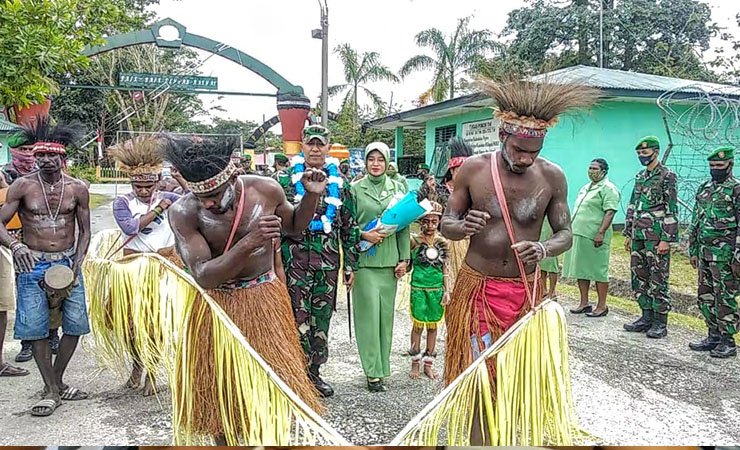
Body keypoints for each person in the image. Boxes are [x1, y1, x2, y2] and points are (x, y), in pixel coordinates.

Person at [440, 78, 599, 444]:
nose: (525, 158)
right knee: (481, 370)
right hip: (477, 290)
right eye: (518, 149)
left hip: (526, 293)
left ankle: (508, 431)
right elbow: (447, 224)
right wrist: (462, 226)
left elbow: (565, 233)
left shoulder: (552, 176)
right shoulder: (473, 171)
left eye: (534, 150)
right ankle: (482, 438)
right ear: (502, 136)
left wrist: (543, 249)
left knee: (517, 369)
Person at [163, 135, 325, 441]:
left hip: (264, 297)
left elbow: (293, 228)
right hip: (218, 305)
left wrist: (311, 197)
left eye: (215, 194)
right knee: (222, 391)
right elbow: (204, 276)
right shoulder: (183, 212)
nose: (209, 203)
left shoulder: (266, 190)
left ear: (233, 178)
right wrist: (250, 242)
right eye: (202, 198)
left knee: (269, 387)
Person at [0, 116, 92, 416]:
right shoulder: (23, 187)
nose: (47, 160)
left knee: (75, 326)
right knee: (36, 329)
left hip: (67, 263)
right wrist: (16, 246)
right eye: (41, 155)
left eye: (52, 155)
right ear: (35, 157)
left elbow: (85, 230)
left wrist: (78, 261)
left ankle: (57, 381)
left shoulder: (78, 188)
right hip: (32, 265)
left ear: (62, 157)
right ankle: (52, 389)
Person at [280, 125, 361, 397]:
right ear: (302, 146)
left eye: (320, 144)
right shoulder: (284, 182)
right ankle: (294, 374)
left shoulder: (341, 184)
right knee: (294, 317)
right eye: (310, 143)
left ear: (328, 147)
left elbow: (350, 226)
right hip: (294, 262)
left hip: (327, 263)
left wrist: (351, 264)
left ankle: (314, 374)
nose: (315, 148)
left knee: (321, 319)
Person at [108, 136, 183, 395]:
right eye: (138, 186)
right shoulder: (122, 203)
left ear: (156, 182)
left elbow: (195, 197)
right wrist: (159, 207)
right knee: (129, 323)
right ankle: (136, 365)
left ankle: (152, 371)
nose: (143, 191)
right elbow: (130, 227)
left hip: (164, 266)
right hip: (132, 266)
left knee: (156, 321)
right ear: (131, 183)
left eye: (148, 186)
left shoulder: (172, 197)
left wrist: (180, 180)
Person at [351, 142, 410, 392]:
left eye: (380, 160)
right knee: (368, 318)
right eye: (371, 159)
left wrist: (404, 259)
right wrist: (363, 236)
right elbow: (347, 225)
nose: (375, 164)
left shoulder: (397, 188)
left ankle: (383, 368)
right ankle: (372, 371)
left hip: (389, 263)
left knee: (386, 318)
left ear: (387, 162)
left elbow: (404, 225)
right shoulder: (354, 190)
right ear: (365, 163)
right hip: (365, 262)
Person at [5, 131, 62, 362]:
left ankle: (53, 334)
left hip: (56, 248)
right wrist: (15, 245)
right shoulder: (12, 176)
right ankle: (27, 343)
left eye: (32, 150)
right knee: (28, 295)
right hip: (22, 242)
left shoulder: (61, 180)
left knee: (56, 295)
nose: (29, 155)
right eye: (26, 151)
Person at [623, 136, 678, 338]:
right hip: (638, 234)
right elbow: (632, 205)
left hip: (656, 236)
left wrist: (666, 239)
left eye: (645, 153)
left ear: (655, 151)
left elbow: (671, 209)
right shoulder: (640, 176)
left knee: (658, 278)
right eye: (639, 154)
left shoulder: (667, 176)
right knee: (639, 276)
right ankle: (645, 317)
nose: (641, 156)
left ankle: (660, 322)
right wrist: (628, 233)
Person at [687, 146, 739, 358]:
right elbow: (695, 220)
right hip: (705, 253)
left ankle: (728, 341)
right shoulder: (704, 188)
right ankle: (713, 336)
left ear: (730, 165)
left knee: (724, 297)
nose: (715, 169)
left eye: (719, 165)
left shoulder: (736, 189)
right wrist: (693, 249)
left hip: (725, 255)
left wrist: (738, 256)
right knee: (706, 296)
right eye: (712, 166)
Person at [563, 158, 620, 316]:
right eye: (590, 168)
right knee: (582, 269)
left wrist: (601, 232)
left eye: (595, 168)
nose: (591, 171)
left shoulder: (608, 189)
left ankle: (602, 305)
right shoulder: (586, 188)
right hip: (579, 233)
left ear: (603, 171)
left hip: (594, 235)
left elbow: (610, 211)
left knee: (598, 270)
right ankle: (584, 302)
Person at [419, 137, 472, 288]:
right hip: (441, 244)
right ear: (452, 170)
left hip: (467, 246)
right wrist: (426, 189)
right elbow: (420, 210)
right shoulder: (437, 189)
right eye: (459, 170)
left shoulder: (474, 192)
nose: (463, 174)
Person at [408, 201, 448, 380]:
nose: (430, 226)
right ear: (420, 222)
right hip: (419, 288)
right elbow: (406, 261)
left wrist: (447, 290)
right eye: (426, 221)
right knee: (418, 326)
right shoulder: (414, 241)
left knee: (433, 327)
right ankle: (415, 363)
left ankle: (429, 364)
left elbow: (445, 268)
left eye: (434, 221)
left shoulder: (443, 242)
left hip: (436, 289)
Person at [539, 219, 560, 299]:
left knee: (552, 263)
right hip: (541, 227)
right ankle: (543, 290)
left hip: (551, 229)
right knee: (541, 262)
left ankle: (552, 292)